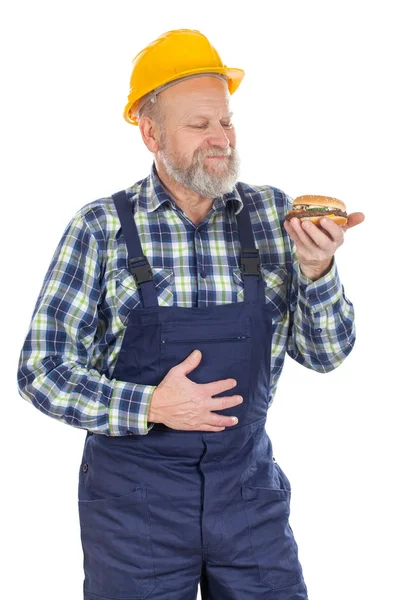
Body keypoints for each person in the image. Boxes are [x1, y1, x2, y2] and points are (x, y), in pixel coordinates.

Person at [17, 28, 364, 600]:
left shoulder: (275, 214)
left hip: (249, 498)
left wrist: (317, 269)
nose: (220, 138)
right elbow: (42, 370)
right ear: (150, 133)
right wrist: (152, 403)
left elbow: (327, 356)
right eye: (199, 125)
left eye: (225, 121)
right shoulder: (100, 228)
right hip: (135, 510)